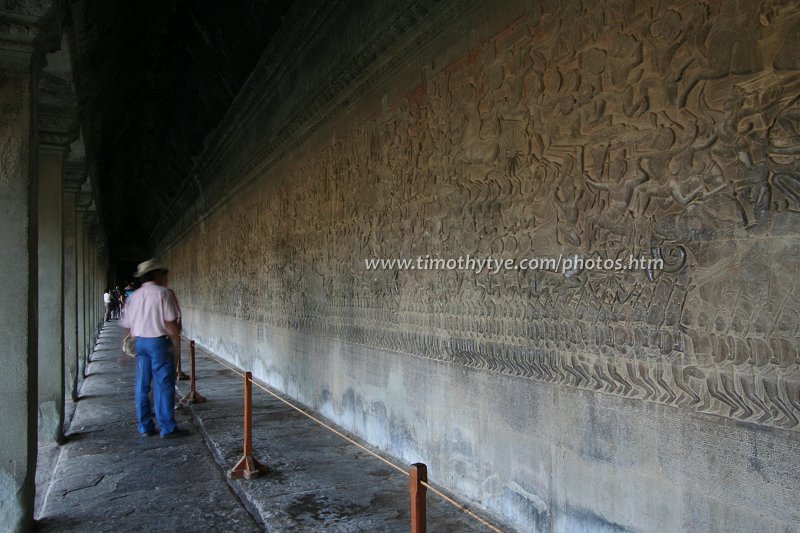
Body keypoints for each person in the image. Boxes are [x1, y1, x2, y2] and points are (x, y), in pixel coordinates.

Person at [121, 258, 189, 438]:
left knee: (142, 385)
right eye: (163, 274)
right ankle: (167, 427)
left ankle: (145, 426)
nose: (165, 277)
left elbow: (128, 325)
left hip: (140, 342)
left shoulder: (133, 296)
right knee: (164, 384)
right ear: (156, 274)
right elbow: (171, 324)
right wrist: (176, 346)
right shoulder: (163, 294)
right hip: (158, 342)